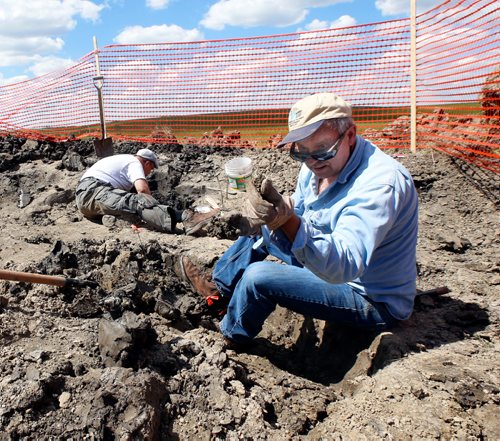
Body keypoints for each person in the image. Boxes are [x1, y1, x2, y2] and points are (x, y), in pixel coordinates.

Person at [177, 92, 419, 347]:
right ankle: (219, 290)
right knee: (262, 230)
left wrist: (286, 221)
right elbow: (302, 210)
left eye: (321, 150)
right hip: (329, 261)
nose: (312, 161)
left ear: (349, 135)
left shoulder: (380, 185)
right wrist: (275, 211)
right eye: (301, 152)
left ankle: (229, 334)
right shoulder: (315, 166)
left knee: (259, 277)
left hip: (370, 297)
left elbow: (344, 266)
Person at [75, 148, 218, 234]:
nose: (149, 173)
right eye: (151, 169)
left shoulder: (121, 162)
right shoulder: (134, 162)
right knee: (140, 200)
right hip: (93, 191)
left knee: (128, 202)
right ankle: (186, 218)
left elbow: (120, 200)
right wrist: (150, 204)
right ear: (147, 163)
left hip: (88, 198)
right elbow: (142, 190)